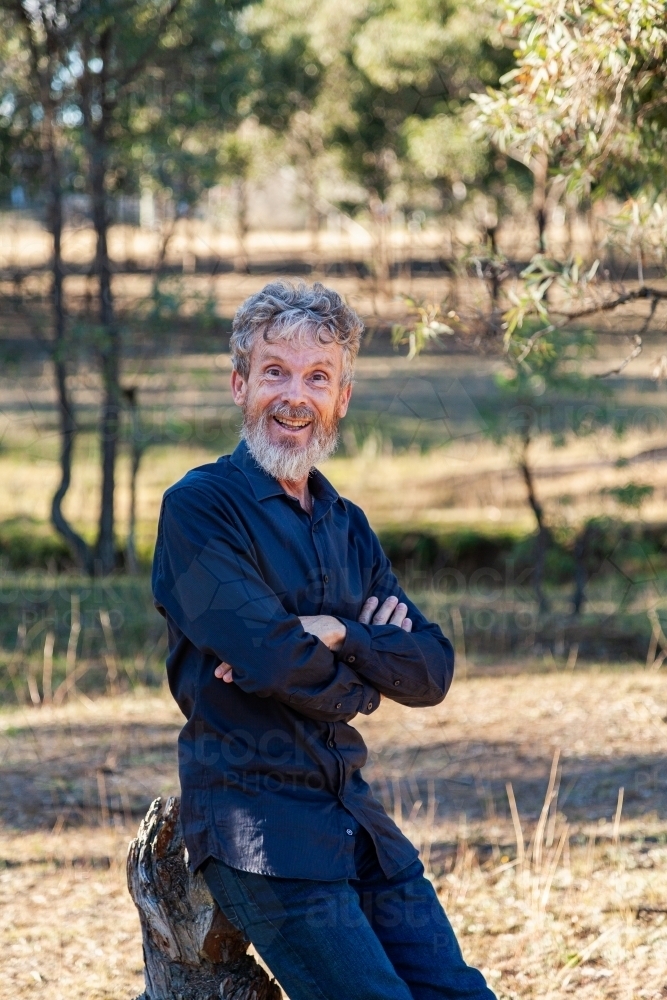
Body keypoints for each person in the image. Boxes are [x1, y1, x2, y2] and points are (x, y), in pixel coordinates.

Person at [152, 279, 496, 1000]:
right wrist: (364, 672)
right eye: (274, 372)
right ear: (239, 384)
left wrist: (336, 633)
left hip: (355, 819)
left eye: (317, 377)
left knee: (461, 994)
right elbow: (273, 654)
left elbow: (430, 669)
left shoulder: (346, 521)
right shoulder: (200, 508)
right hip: (262, 830)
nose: (293, 396)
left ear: (341, 396)